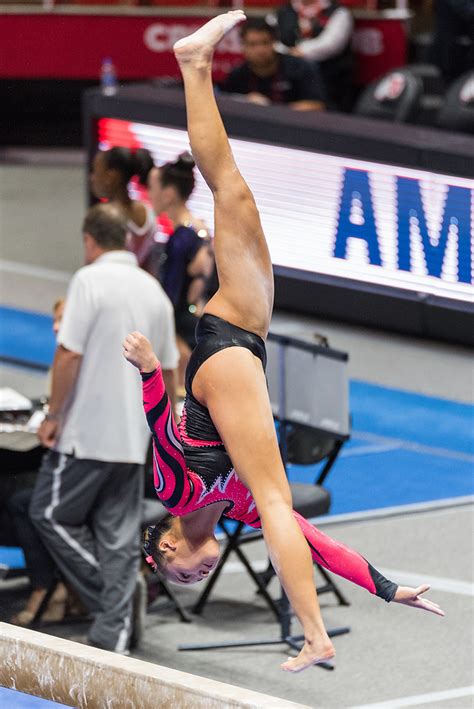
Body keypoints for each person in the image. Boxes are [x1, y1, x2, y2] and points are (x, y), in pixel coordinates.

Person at [123, 12, 445, 673]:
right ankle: (195, 67)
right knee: (234, 189)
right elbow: (315, 543)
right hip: (241, 337)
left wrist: (150, 368)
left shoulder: (176, 491)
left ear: (166, 544)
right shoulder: (225, 504)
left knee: (276, 501)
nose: (194, 574)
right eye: (190, 583)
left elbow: (158, 420)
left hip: (223, 351)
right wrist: (384, 585)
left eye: (179, 571)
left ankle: (313, 633)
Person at [30, 203, 179, 653]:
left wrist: (54, 415)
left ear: (89, 241)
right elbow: (169, 370)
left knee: (48, 513)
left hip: (86, 434)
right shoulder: (153, 291)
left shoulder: (88, 280)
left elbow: (68, 354)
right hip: (135, 437)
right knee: (117, 538)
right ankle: (110, 637)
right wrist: (162, 432)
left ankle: (114, 603)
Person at [148, 152, 214, 393]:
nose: (149, 194)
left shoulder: (180, 239)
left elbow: (170, 299)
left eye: (152, 187)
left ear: (168, 194)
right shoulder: (200, 228)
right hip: (199, 320)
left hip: (182, 331)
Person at [220, 18, 326, 111]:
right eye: (252, 44)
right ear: (243, 46)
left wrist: (270, 109)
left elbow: (317, 105)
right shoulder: (237, 75)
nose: (260, 50)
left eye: (265, 42)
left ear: (274, 43)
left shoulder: (300, 68)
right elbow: (226, 103)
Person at [273, 0, 354, 111]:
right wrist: (288, 53)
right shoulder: (284, 10)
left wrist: (299, 51)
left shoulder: (339, 12)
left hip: (329, 79)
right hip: (292, 77)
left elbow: (331, 44)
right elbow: (272, 41)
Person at [90, 147, 157, 273]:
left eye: (96, 171)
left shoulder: (103, 217)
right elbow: (149, 267)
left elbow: (92, 267)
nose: (92, 178)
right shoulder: (148, 212)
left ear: (112, 176)